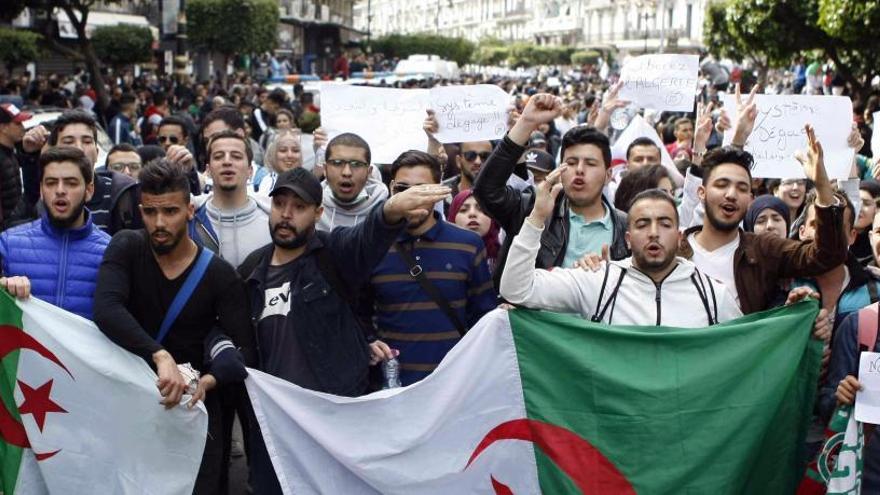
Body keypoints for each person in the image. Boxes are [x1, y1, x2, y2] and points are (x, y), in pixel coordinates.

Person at [237, 167, 449, 494]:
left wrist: (390, 211)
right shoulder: (251, 271)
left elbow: (366, 238)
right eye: (280, 204)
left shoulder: (333, 254)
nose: (286, 215)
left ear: (318, 213)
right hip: (275, 422)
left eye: (299, 207)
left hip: (334, 416)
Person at [93, 158, 252, 495]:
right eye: (150, 213)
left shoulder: (219, 274)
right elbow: (106, 309)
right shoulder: (126, 246)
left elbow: (244, 349)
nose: (159, 223)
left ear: (190, 210)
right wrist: (159, 355)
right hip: (134, 406)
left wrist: (207, 382)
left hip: (197, 414)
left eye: (170, 212)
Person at [502, 179, 742, 325]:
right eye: (642, 224)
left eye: (665, 224)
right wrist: (536, 218)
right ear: (628, 239)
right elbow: (516, 289)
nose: (654, 232)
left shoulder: (712, 295)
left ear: (679, 237)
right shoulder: (599, 281)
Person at [678, 127, 847, 315]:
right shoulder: (674, 251)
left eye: (741, 188)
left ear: (750, 199)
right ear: (702, 192)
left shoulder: (763, 249)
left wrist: (822, 184)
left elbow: (827, 256)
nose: (732, 194)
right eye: (722, 185)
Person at [362, 151, 497, 385]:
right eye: (402, 189)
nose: (411, 199)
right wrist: (368, 341)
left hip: (452, 389)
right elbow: (358, 314)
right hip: (390, 389)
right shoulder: (372, 244)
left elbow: (483, 320)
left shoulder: (467, 244)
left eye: (422, 190)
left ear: (439, 190)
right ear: (391, 188)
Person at [473, 93, 629, 287]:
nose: (579, 169)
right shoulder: (532, 209)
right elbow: (486, 191)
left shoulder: (626, 228)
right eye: (571, 162)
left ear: (608, 175)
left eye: (590, 163)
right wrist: (526, 123)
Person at [0, 147, 109, 320]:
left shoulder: (110, 251)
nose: (60, 190)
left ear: (89, 191)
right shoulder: (9, 243)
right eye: (51, 183)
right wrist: (3, 288)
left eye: (71, 183)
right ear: (42, 190)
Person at [190, 130, 271, 267]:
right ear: (208, 170)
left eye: (236, 156)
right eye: (218, 157)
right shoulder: (191, 219)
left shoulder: (273, 221)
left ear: (250, 171)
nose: (227, 162)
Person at [316, 133, 389, 232]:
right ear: (325, 169)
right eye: (337, 163)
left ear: (369, 172)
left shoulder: (386, 214)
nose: (347, 172)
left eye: (356, 164)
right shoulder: (310, 208)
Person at [447, 189, 501, 273]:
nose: (472, 213)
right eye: (463, 210)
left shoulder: (506, 255)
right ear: (453, 218)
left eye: (481, 209)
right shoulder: (441, 256)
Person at [0, 103, 28, 229]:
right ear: (3, 128)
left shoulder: (12, 151)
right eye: (17, 124)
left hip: (15, 225)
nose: (23, 127)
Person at [256, 129, 302, 196]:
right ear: (273, 154)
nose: (290, 155)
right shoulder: (268, 182)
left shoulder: (306, 181)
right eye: (283, 150)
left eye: (295, 150)